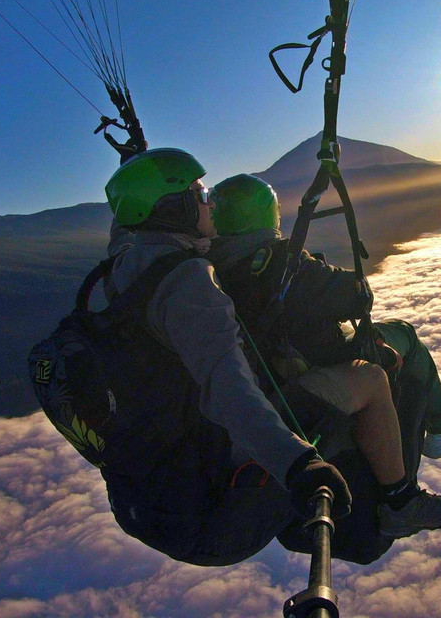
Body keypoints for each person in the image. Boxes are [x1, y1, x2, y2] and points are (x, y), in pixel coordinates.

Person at [99, 147, 352, 565]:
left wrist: (137, 172)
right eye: (200, 195)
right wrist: (297, 465)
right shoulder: (189, 282)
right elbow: (228, 388)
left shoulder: (121, 269)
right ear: (176, 207)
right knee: (351, 394)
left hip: (142, 503)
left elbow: (126, 230)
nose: (210, 203)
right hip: (213, 516)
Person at [207, 173, 441, 539]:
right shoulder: (283, 263)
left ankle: (437, 432)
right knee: (404, 337)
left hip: (265, 377)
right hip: (300, 379)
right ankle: (420, 467)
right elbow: (355, 296)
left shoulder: (210, 269)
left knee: (378, 339)